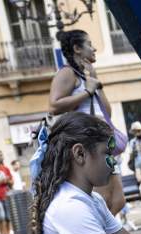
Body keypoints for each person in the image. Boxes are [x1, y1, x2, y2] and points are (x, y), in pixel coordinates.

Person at [48, 29, 125, 215]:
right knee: (103, 199)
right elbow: (54, 105)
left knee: (118, 200)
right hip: (88, 143)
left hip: (102, 141)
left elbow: (107, 111)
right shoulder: (67, 73)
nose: (94, 48)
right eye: (89, 44)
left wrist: (95, 83)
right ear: (77, 48)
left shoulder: (87, 74)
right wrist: (87, 92)